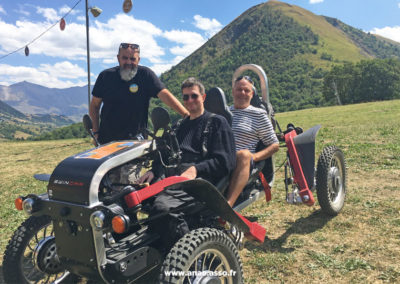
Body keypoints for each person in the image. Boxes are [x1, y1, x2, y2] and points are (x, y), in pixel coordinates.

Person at [138, 77, 236, 248]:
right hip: (174, 178)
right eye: (185, 97)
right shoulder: (179, 126)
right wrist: (155, 170)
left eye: (194, 96)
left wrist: (196, 169)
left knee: (163, 209)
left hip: (200, 183)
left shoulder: (217, 122)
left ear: (203, 97)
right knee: (132, 198)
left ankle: (191, 258)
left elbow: (225, 161)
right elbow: (165, 154)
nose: (190, 101)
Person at [89, 43, 189, 145]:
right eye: (125, 58)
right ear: (118, 58)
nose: (128, 62)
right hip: (107, 142)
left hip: (136, 143)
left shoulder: (145, 75)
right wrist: (95, 132)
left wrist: (187, 116)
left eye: (132, 59)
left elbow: (165, 95)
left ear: (138, 60)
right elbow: (94, 105)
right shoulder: (105, 77)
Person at [225, 76, 280, 207]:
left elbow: (274, 145)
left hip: (241, 161)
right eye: (239, 89)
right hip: (221, 156)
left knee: (243, 155)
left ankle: (227, 206)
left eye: (246, 90)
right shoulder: (224, 112)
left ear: (252, 94)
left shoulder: (258, 114)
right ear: (233, 92)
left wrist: (253, 156)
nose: (242, 93)